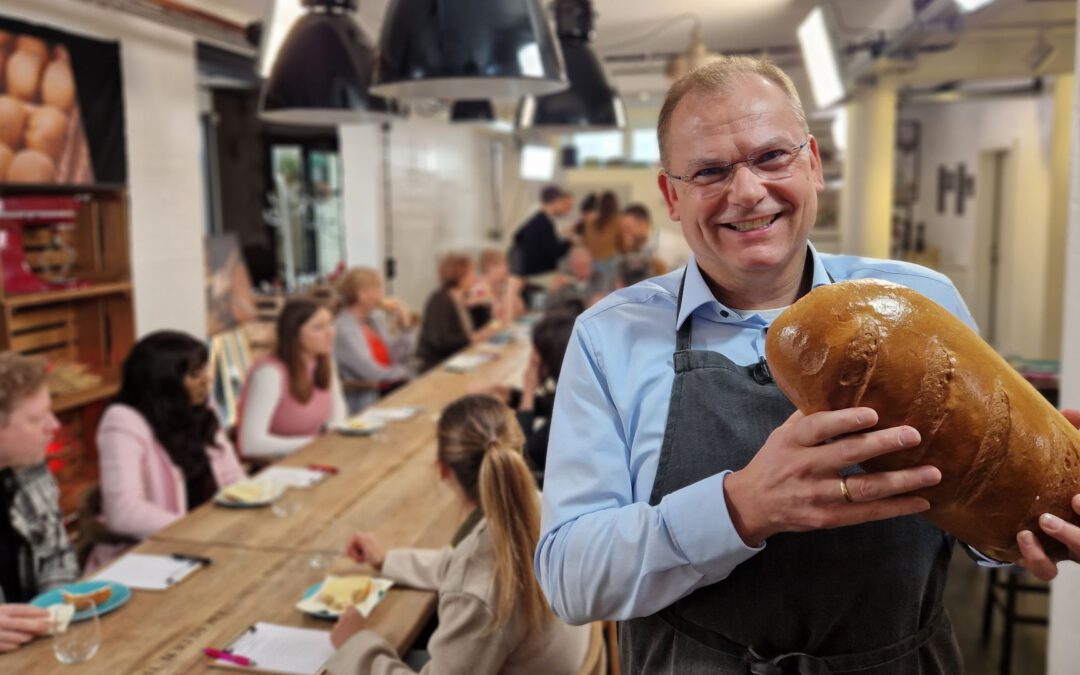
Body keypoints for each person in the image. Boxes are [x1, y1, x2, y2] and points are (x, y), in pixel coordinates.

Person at [535, 55, 1080, 674]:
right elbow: (570, 581)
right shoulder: (610, 338)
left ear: (812, 163)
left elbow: (975, 503)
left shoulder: (919, 301)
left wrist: (1035, 525)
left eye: (772, 157)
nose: (747, 191)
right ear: (671, 195)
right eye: (710, 171)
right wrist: (739, 508)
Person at [325, 394, 593, 675]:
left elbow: (473, 581)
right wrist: (386, 561)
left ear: (443, 470)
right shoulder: (541, 508)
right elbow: (460, 566)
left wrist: (356, 645)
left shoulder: (478, 584)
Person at [88, 331, 246, 568]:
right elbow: (123, 511)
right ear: (164, 380)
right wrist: (198, 532)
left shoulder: (201, 409)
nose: (207, 380)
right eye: (194, 374)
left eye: (204, 370)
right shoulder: (122, 420)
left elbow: (234, 478)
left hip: (211, 547)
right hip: (150, 559)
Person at [0, 352, 77, 652]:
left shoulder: (32, 469)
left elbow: (58, 555)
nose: (54, 425)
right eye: (36, 418)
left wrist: (55, 615)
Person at [238, 298, 347, 459]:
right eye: (318, 327)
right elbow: (249, 444)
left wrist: (332, 435)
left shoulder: (323, 361)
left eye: (330, 324)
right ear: (294, 335)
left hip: (316, 456)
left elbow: (338, 413)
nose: (330, 333)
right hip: (278, 466)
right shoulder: (270, 373)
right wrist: (316, 442)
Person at [334, 267, 416, 415]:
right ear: (362, 294)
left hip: (390, 392)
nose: (382, 294)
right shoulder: (343, 329)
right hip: (366, 404)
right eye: (378, 288)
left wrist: (405, 327)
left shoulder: (374, 320)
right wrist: (405, 372)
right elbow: (370, 371)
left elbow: (395, 357)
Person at [416, 253, 495, 372]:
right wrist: (471, 338)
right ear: (460, 276)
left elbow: (482, 327)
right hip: (438, 366)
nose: (475, 278)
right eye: (472, 273)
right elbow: (440, 340)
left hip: (460, 360)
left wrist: (484, 303)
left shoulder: (463, 297)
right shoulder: (439, 300)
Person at [510, 185, 574, 277]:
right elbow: (553, 252)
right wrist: (568, 240)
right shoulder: (544, 222)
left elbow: (517, 236)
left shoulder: (535, 218)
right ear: (556, 201)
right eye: (562, 202)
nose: (563, 207)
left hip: (529, 271)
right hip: (540, 274)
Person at [466, 249, 526, 330]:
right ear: (489, 268)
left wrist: (515, 292)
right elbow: (503, 323)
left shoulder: (501, 286)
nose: (508, 269)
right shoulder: (480, 291)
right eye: (503, 265)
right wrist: (510, 291)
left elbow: (520, 312)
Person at [545, 246, 606, 310]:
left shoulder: (598, 278)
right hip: (568, 317)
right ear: (571, 266)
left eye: (586, 265)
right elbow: (548, 307)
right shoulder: (564, 281)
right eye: (579, 266)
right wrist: (553, 291)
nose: (583, 270)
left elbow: (603, 297)